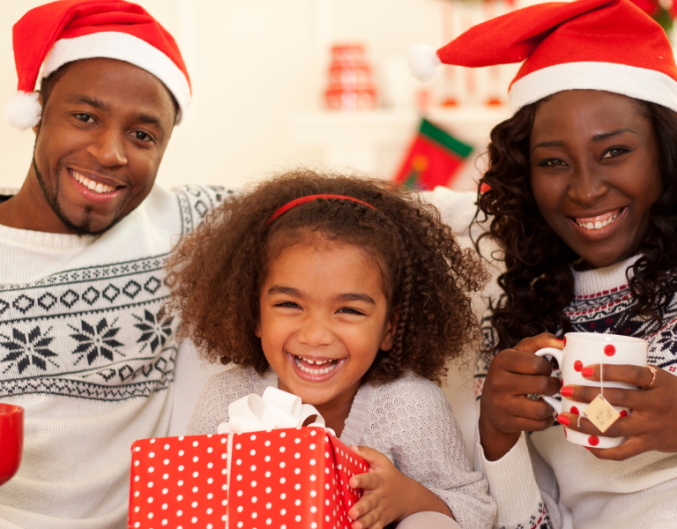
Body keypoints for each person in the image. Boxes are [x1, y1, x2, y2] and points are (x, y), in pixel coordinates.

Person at [412, 0, 677, 527]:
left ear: (666, 152)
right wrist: (497, 437)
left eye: (614, 151)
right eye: (553, 162)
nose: (585, 190)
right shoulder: (524, 308)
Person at [0, 1, 228, 527]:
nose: (110, 153)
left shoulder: (185, 226)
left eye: (142, 135)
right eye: (85, 117)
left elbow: (354, 218)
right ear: (37, 115)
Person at [166, 170, 497, 529]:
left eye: (349, 310)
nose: (316, 335)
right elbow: (187, 501)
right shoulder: (227, 397)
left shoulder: (411, 406)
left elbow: (475, 510)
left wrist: (407, 497)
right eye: (290, 305)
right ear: (255, 314)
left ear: (390, 327)